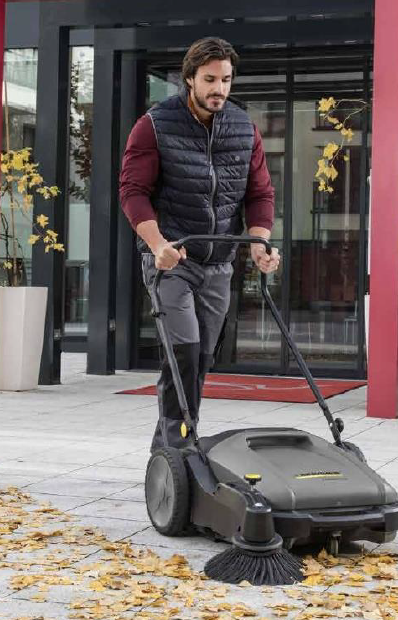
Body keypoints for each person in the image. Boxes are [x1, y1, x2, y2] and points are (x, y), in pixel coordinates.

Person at [119, 37, 280, 451]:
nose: (219, 89)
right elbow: (133, 192)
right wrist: (158, 245)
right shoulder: (155, 124)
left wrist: (259, 243)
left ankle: (172, 455)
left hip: (219, 263)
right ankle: (177, 451)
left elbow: (260, 194)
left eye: (226, 80)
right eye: (210, 79)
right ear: (189, 78)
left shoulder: (244, 128)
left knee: (201, 360)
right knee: (183, 354)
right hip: (172, 260)